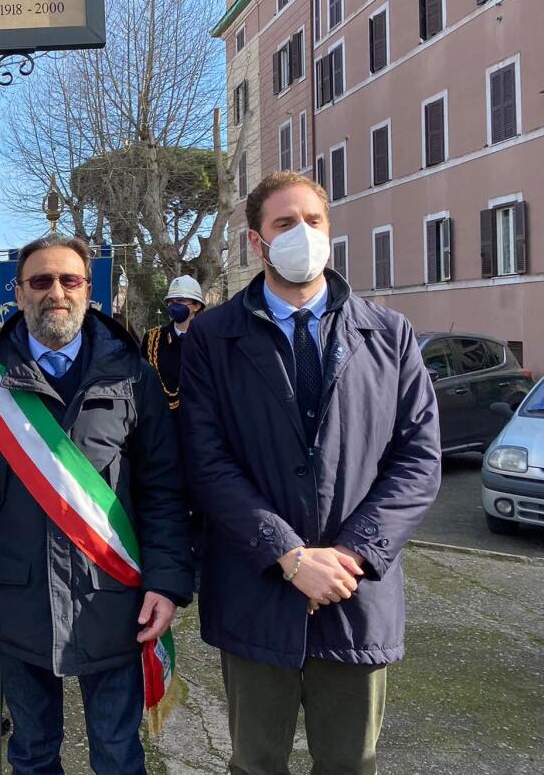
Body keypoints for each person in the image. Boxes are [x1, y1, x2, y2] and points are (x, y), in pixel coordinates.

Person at [181, 172, 441, 775]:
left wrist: (349, 555)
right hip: (256, 588)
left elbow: (419, 458)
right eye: (283, 223)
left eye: (313, 221)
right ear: (256, 241)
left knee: (352, 763)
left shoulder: (389, 334)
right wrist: (290, 556)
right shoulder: (213, 339)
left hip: (355, 593)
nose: (302, 233)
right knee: (255, 762)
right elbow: (206, 460)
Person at [0, 234, 193, 775]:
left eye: (69, 280)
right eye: (41, 281)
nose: (56, 292)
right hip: (15, 601)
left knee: (120, 755)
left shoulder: (133, 375)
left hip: (115, 599)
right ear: (19, 292)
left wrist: (166, 585)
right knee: (31, 754)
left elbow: (164, 493)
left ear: (88, 290)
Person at [142, 275, 205, 413]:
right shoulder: (152, 339)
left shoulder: (209, 340)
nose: (174, 305)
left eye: (181, 301)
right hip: (161, 418)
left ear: (196, 306)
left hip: (198, 419)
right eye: (171, 301)